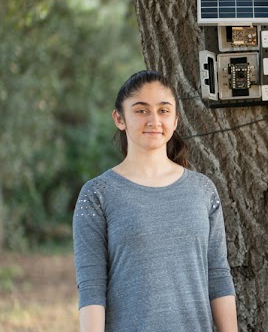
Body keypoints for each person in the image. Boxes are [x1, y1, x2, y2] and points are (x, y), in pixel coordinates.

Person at [73, 70, 238, 332]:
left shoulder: (203, 190)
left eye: (163, 110)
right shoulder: (97, 194)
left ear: (175, 120)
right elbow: (92, 287)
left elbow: (218, 276)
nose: (154, 120)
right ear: (119, 118)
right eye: (141, 110)